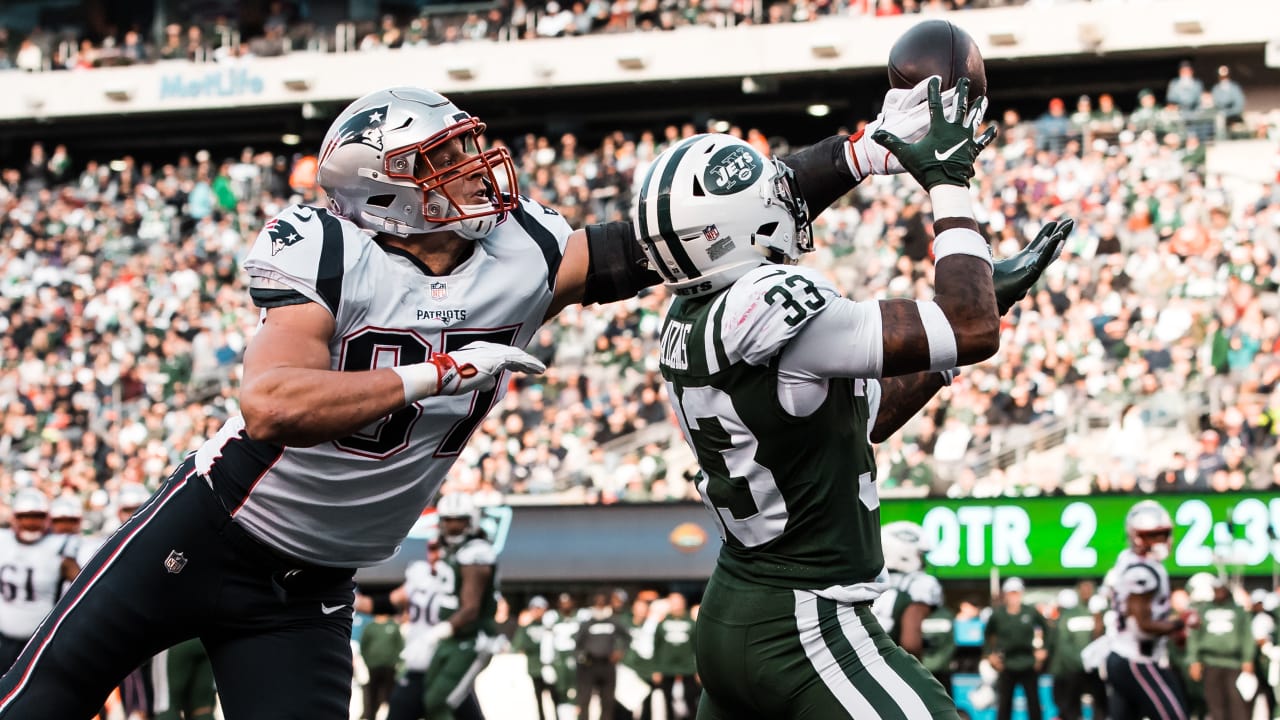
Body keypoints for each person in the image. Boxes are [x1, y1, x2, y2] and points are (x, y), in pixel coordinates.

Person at [0, 76, 955, 717]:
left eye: (467, 148)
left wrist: (862, 152)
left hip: (312, 586)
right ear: (381, 194)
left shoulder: (525, 250)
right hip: (202, 533)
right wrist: (436, 374)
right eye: (441, 163)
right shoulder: (327, 249)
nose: (475, 169)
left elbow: (676, 234)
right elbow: (270, 404)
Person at [633, 76, 1072, 719]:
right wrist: (951, 183)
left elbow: (870, 415)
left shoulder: (694, 314)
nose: (788, 199)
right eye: (771, 195)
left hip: (736, 609)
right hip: (805, 623)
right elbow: (969, 329)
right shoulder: (765, 304)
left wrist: (971, 317)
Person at [356, 493, 498, 720]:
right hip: (422, 658)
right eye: (432, 547)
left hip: (450, 652)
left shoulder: (470, 559)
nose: (437, 551)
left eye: (438, 547)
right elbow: (382, 604)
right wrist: (346, 599)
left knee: (442, 704)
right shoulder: (420, 576)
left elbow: (475, 606)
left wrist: (442, 632)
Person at [1103, 500, 1192, 720]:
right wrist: (1179, 624)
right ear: (1137, 537)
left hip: (1126, 655)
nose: (1162, 541)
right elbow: (1141, 624)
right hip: (1136, 658)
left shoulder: (1129, 561)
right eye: (1154, 535)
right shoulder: (1141, 571)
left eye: (1163, 534)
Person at [0, 489, 81, 673]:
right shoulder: (3, 541)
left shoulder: (60, 546)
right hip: (4, 641)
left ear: (47, 518)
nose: (30, 523)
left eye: (37, 516)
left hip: (40, 643)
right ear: (14, 518)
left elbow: (84, 588)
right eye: (25, 516)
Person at [872, 521, 944, 661]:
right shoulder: (919, 583)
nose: (923, 561)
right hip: (894, 665)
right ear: (904, 553)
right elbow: (910, 643)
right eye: (920, 555)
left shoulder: (867, 582)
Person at [1186, 575, 1252, 720]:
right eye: (1216, 589)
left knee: (1237, 702)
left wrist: (1248, 659)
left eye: (1222, 589)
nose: (1219, 592)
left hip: (1234, 662)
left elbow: (1247, 635)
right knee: (1215, 703)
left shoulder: (1238, 610)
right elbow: (1195, 637)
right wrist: (1194, 660)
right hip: (1210, 662)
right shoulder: (1203, 610)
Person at [984, 577, 1048, 720]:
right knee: (1004, 704)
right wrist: (990, 654)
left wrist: (1043, 649)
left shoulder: (1030, 612)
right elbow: (988, 635)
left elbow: (1047, 628)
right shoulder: (998, 614)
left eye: (1016, 593)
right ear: (1006, 594)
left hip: (1027, 662)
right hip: (1006, 663)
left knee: (1033, 703)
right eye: (1011, 593)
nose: (1014, 596)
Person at [574, 590, 629, 720]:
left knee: (607, 701)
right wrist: (582, 657)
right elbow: (577, 644)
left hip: (607, 664)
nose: (600, 607)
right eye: (597, 604)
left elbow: (627, 637)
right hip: (589, 665)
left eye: (602, 604)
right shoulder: (586, 624)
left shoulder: (613, 622)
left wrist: (620, 651)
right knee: (584, 700)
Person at [1047, 587, 1098, 720]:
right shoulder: (1088, 615)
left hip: (1066, 671)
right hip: (1087, 668)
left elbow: (1059, 646)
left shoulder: (1063, 619)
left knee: (1067, 708)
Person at [652, 593, 698, 719]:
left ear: (683, 603)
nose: (676, 606)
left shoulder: (691, 623)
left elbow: (697, 647)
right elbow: (656, 646)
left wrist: (698, 670)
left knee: (691, 699)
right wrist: (656, 668)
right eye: (673, 603)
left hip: (688, 667)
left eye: (678, 602)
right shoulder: (662, 623)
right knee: (667, 700)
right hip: (667, 667)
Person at [510, 596, 555, 720]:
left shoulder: (551, 625)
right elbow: (519, 646)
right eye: (535, 609)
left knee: (556, 697)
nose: (537, 612)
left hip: (553, 667)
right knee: (539, 700)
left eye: (540, 608)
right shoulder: (526, 627)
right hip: (535, 668)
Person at [358, 611, 404, 720]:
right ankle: (370, 716)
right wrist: (368, 661)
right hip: (373, 667)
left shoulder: (393, 625)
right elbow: (363, 645)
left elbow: (400, 645)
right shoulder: (370, 627)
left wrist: (395, 661)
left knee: (390, 695)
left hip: (390, 668)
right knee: (372, 695)